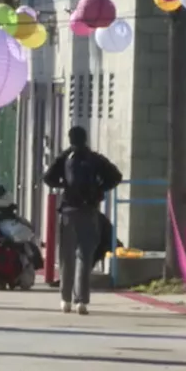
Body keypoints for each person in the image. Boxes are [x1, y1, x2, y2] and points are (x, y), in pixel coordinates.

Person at [43, 126, 122, 315]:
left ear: (70, 139)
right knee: (84, 257)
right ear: (85, 139)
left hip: (69, 212)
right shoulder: (95, 159)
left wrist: (63, 185)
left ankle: (65, 299)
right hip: (89, 211)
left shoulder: (65, 158)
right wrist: (99, 189)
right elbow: (116, 176)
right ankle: (82, 301)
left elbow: (48, 178)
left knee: (66, 257)